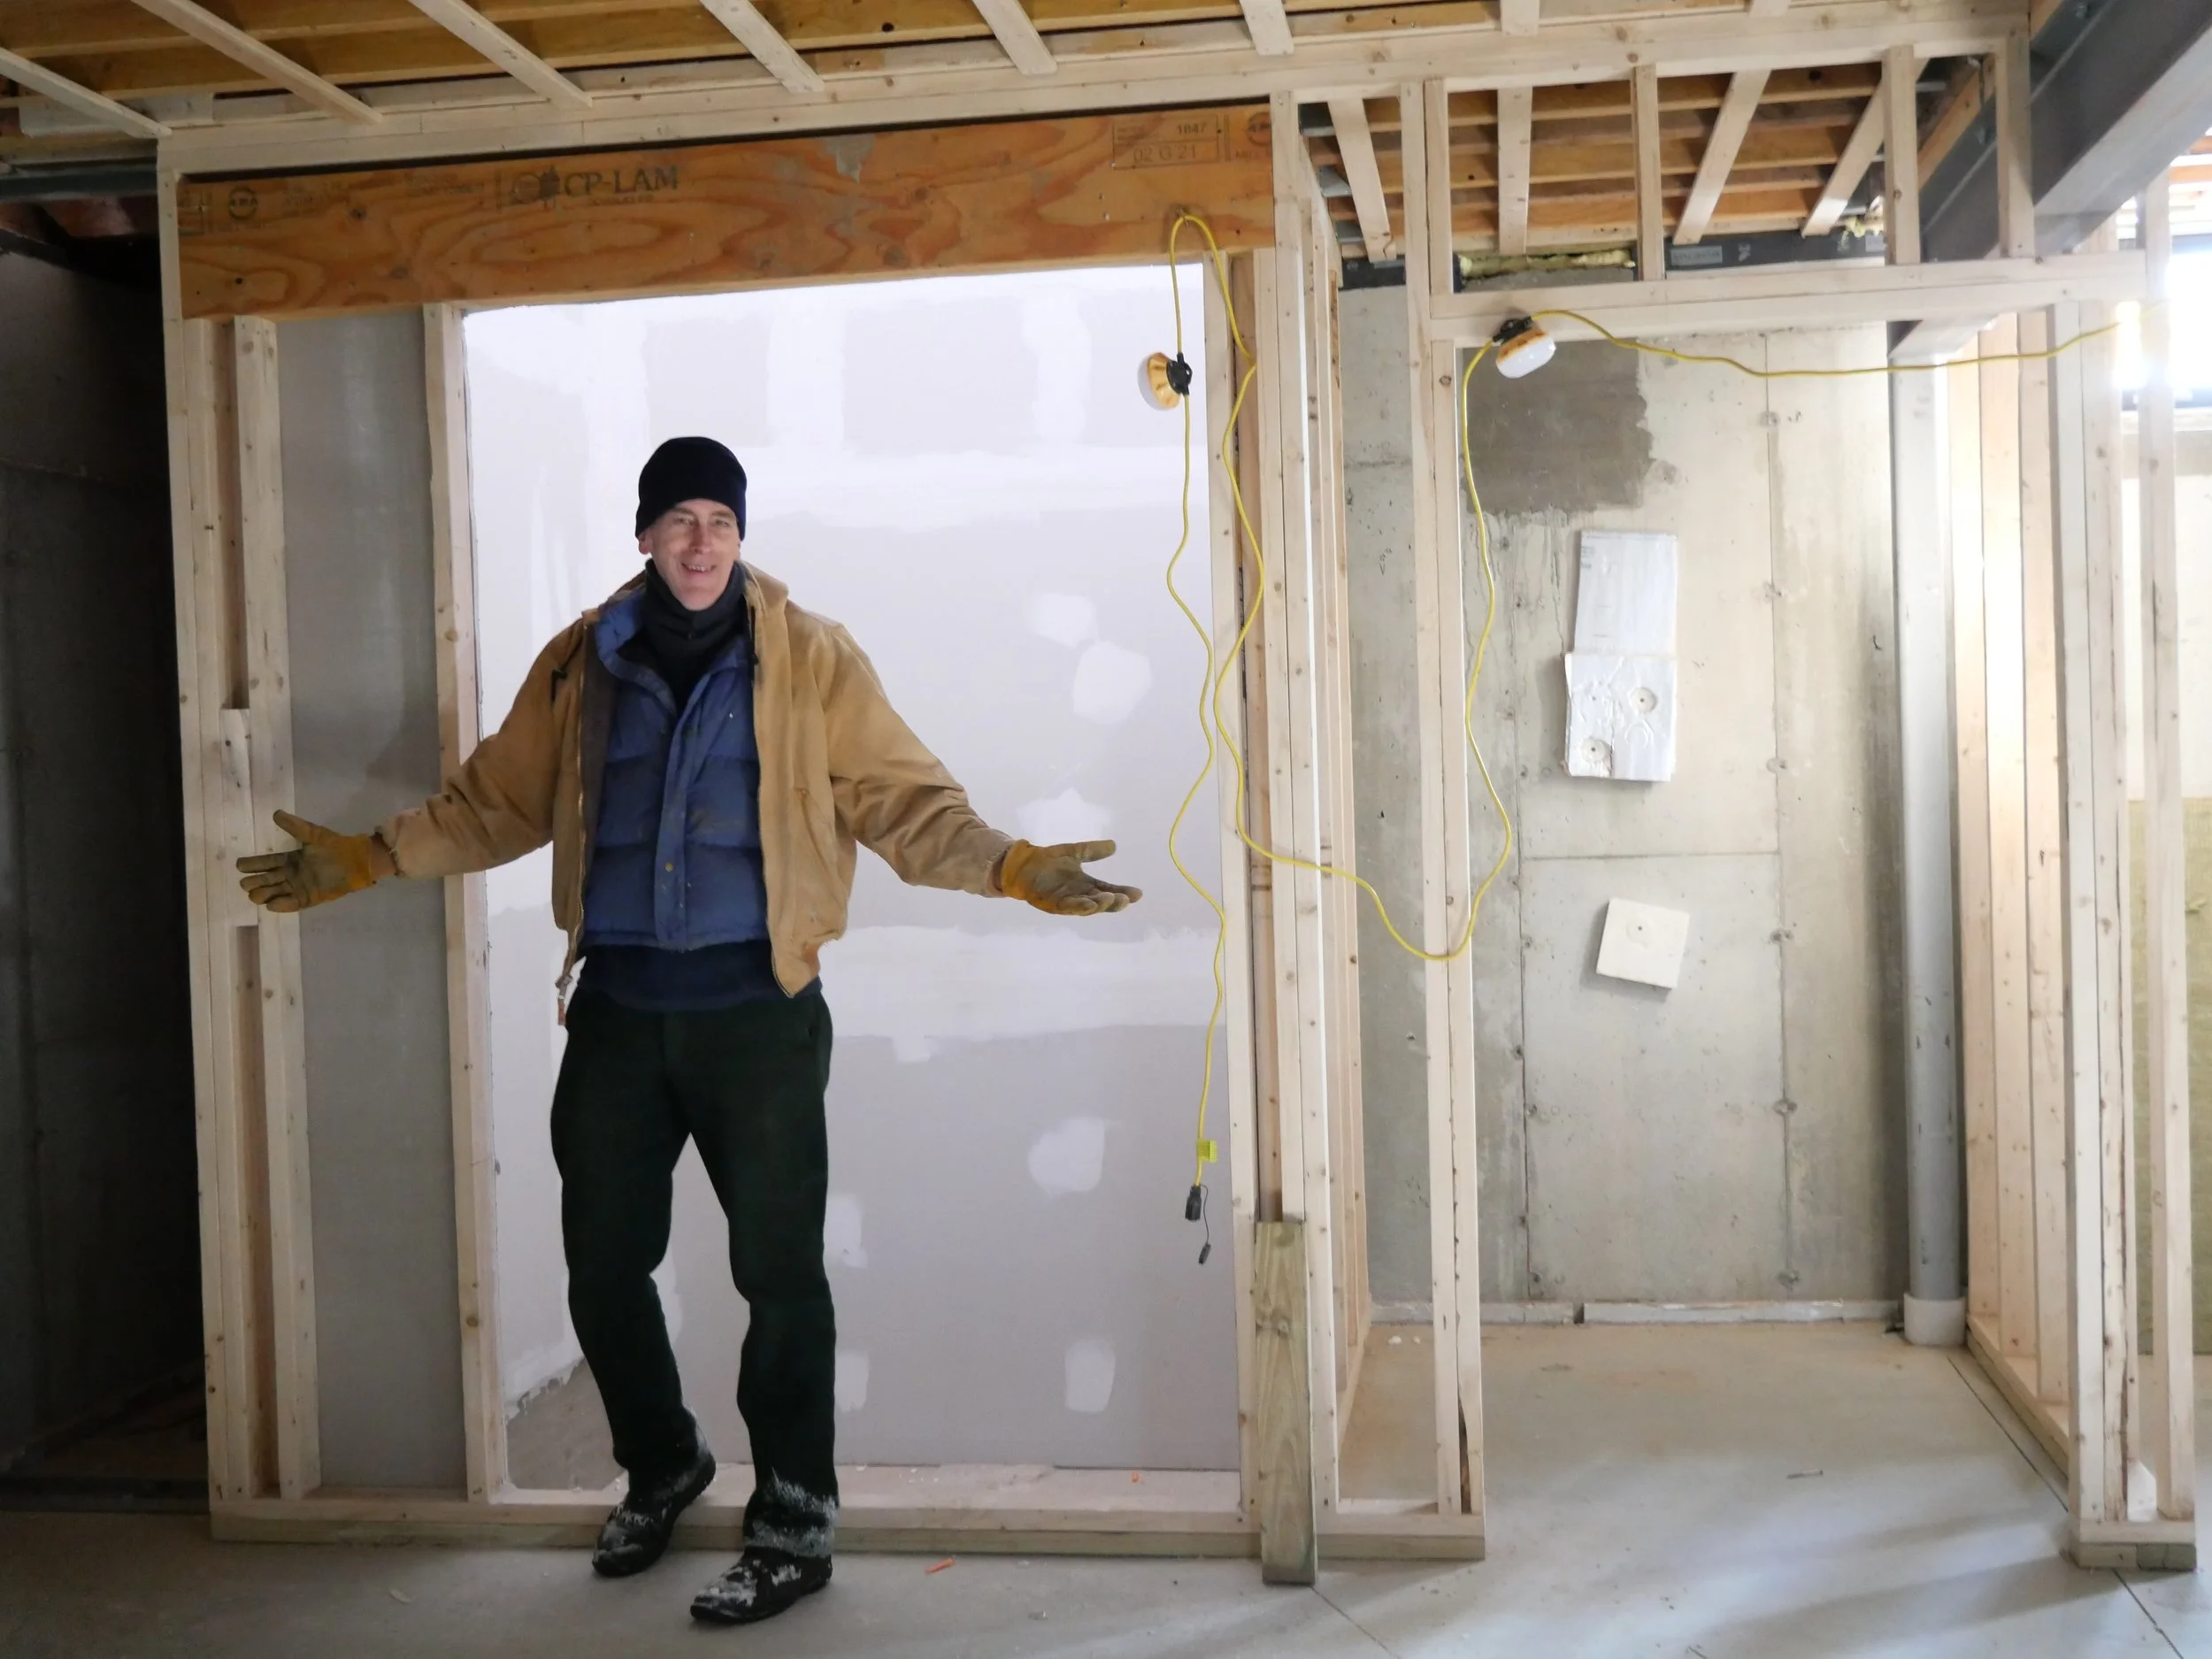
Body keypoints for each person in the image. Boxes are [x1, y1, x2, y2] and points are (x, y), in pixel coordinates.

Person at [235, 435, 1139, 1626]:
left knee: (778, 1272)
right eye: (679, 520)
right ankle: (663, 1461)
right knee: (604, 1263)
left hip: (757, 1016)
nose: (700, 541)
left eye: (719, 518)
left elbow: (903, 803)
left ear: (741, 533)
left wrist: (1011, 865)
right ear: (647, 535)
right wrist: (372, 855)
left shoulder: (810, 657)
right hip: (615, 1009)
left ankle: (795, 1517)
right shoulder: (582, 663)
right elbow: (496, 800)